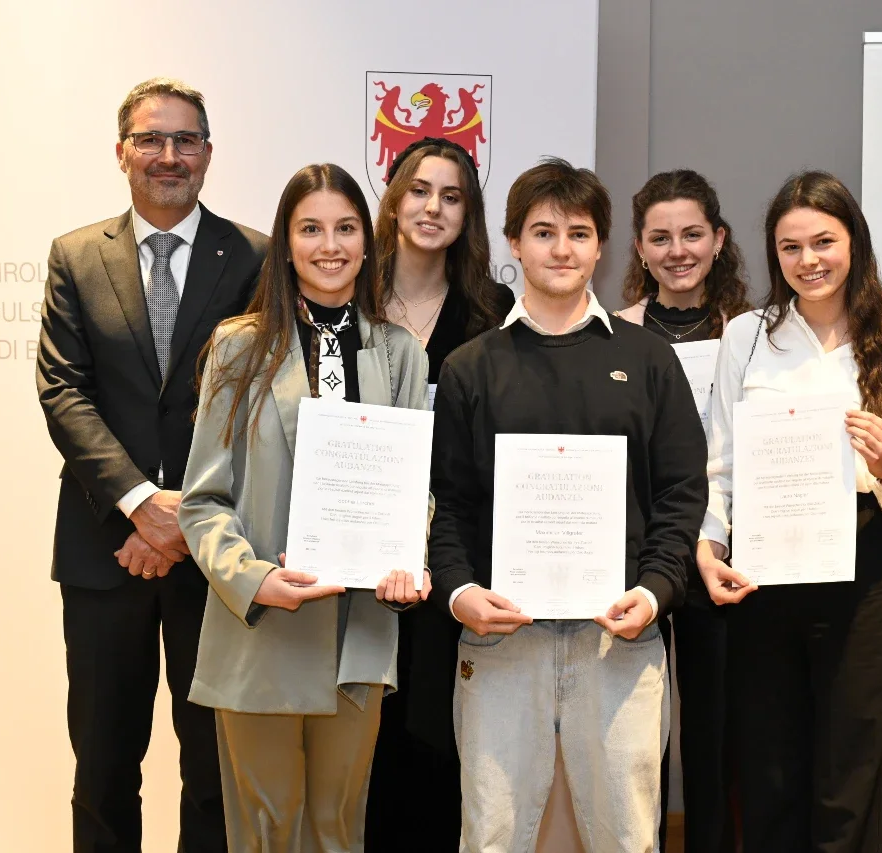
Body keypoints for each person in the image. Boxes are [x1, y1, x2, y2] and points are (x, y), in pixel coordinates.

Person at [428, 157, 708, 852]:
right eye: (543, 232)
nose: (562, 249)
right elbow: (448, 503)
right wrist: (459, 592)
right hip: (501, 641)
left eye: (579, 233)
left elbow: (681, 494)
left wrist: (656, 590)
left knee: (627, 838)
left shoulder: (648, 361)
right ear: (514, 243)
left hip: (619, 638)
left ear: (601, 246)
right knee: (490, 837)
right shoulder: (471, 367)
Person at [35, 77, 267, 853]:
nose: (169, 155)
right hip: (105, 550)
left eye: (185, 139)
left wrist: (182, 516)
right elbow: (63, 390)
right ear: (121, 151)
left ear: (208, 152)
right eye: (151, 139)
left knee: (215, 775)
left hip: (218, 556)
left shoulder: (255, 257)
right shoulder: (75, 256)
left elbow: (258, 402)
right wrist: (141, 503)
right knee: (103, 769)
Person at [179, 162, 431, 852]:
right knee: (267, 831)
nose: (330, 245)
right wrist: (252, 577)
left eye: (346, 228)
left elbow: (415, 490)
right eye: (310, 229)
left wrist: (409, 560)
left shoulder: (401, 354)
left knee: (337, 831)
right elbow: (202, 501)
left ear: (368, 243)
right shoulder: (239, 346)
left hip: (360, 633)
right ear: (285, 244)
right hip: (262, 627)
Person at [696, 171, 882, 852]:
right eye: (790, 247)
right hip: (763, 572)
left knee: (851, 773)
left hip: (864, 570)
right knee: (769, 771)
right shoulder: (746, 337)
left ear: (853, 243)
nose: (809, 260)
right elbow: (720, 465)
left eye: (824, 242)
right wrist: (708, 549)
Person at [365, 137, 514, 852]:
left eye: (451, 196)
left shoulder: (494, 309)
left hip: (452, 552)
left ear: (469, 214)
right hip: (358, 546)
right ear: (394, 199)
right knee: (361, 740)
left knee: (436, 737)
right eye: (420, 190)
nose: (432, 208)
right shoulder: (346, 294)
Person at [616, 168, 753, 853]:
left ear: (718, 239)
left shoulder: (752, 334)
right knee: (634, 735)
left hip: (720, 555)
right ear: (639, 249)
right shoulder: (612, 334)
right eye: (660, 237)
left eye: (692, 234)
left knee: (715, 734)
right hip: (636, 556)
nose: (678, 251)